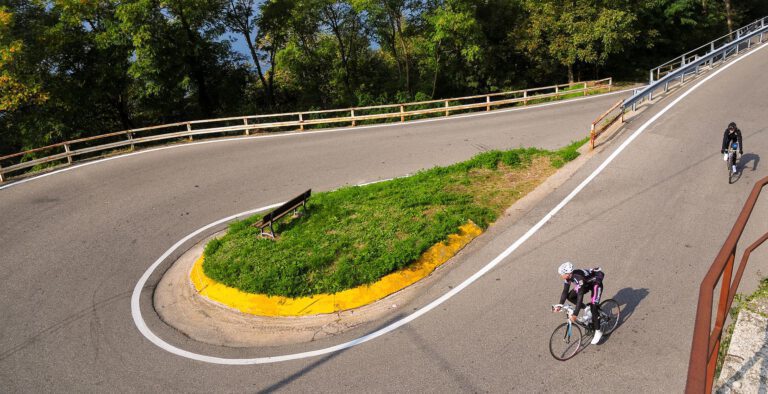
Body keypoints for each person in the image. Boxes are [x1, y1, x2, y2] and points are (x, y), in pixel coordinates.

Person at [553, 262, 605, 345]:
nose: (561, 275)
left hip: (595, 284)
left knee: (594, 307)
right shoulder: (568, 277)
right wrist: (560, 305)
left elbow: (580, 297)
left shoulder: (578, 278)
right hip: (586, 284)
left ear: (568, 273)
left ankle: (598, 331)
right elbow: (565, 292)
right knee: (570, 296)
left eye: (562, 274)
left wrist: (575, 314)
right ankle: (586, 308)